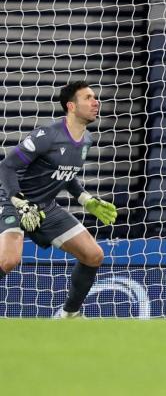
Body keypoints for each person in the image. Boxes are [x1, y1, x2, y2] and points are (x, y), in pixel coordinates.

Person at [0, 81, 117, 318]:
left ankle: (69, 316)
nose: (96, 102)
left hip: (45, 208)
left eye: (95, 97)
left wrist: (85, 199)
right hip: (12, 202)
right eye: (88, 98)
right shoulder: (47, 136)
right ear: (71, 106)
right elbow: (6, 166)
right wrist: (20, 201)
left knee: (93, 255)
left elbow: (66, 174)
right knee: (9, 260)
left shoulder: (86, 141)